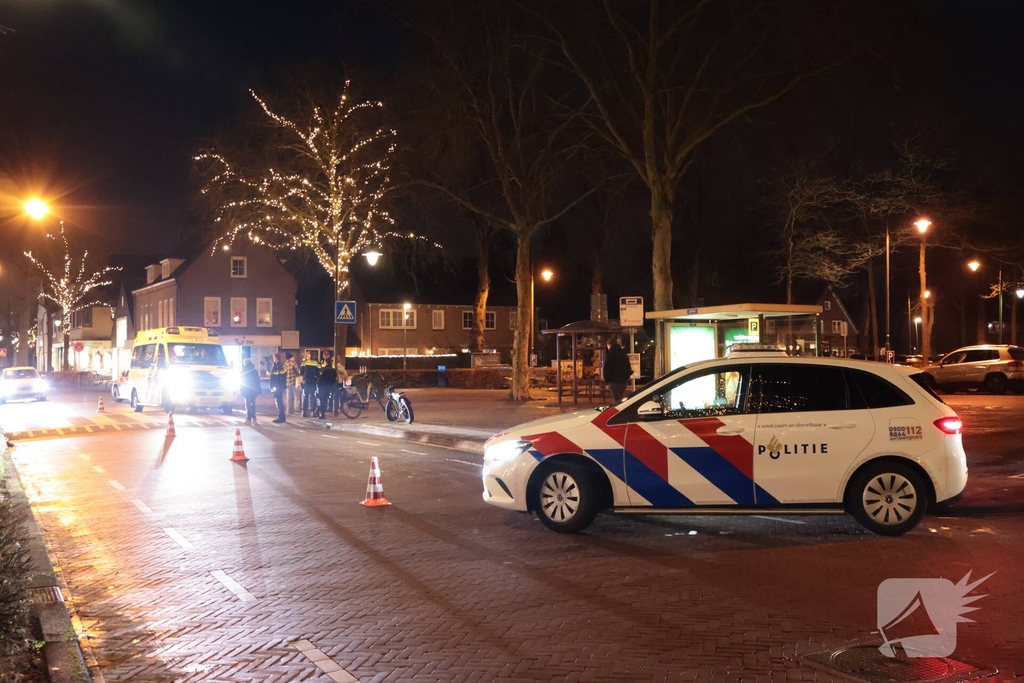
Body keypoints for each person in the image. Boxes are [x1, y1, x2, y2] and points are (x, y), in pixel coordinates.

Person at [603, 337, 633, 403]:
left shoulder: (610, 354)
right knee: (619, 398)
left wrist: (607, 380)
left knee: (617, 400)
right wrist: (627, 375)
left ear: (609, 345)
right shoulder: (623, 354)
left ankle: (618, 412)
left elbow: (607, 368)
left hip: (614, 381)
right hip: (623, 380)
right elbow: (628, 366)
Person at [239, 357, 261, 425]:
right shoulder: (255, 371)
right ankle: (254, 419)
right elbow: (257, 382)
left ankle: (248, 419)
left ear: (245, 363)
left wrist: (241, 391)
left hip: (246, 390)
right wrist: (258, 391)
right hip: (253, 391)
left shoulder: (243, 371)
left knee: (248, 405)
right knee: (252, 404)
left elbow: (241, 383)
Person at [316, 353, 338, 419]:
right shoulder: (333, 370)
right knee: (325, 400)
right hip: (329, 387)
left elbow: (320, 379)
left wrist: (317, 385)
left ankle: (322, 414)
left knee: (322, 400)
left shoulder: (324, 370)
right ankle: (319, 412)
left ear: (326, 362)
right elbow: (334, 379)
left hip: (322, 387)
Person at [300, 351, 320, 418]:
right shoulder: (316, 363)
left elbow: (301, 372)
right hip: (313, 381)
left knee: (305, 397)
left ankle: (304, 413)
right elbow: (318, 372)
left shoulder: (304, 363)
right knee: (313, 397)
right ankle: (314, 413)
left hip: (306, 381)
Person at [269, 352, 287, 423]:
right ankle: (281, 416)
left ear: (276, 358)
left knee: (279, 402)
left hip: (279, 387)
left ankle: (281, 417)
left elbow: (281, 377)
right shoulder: (276, 365)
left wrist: (276, 386)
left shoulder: (280, 366)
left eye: (274, 358)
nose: (273, 359)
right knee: (278, 402)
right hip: (277, 386)